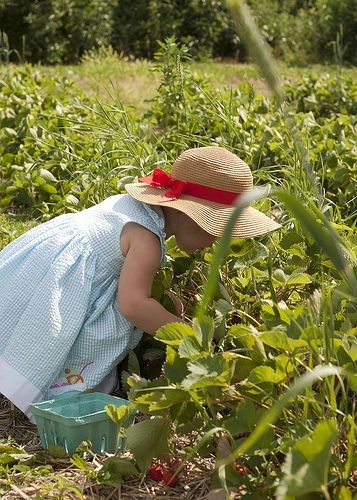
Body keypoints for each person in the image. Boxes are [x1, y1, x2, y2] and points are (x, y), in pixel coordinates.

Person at [0, 146, 280, 420]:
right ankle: (48, 388)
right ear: (188, 213)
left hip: (44, 267)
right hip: (64, 287)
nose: (218, 240)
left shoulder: (133, 209)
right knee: (84, 374)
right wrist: (191, 338)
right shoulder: (147, 240)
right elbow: (134, 305)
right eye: (217, 229)